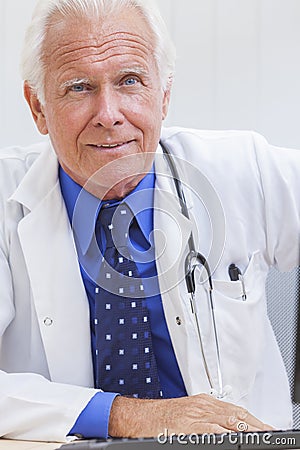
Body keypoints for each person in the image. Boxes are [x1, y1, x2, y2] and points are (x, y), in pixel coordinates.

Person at [0, 0, 299, 443]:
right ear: (38, 107)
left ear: (164, 95)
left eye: (130, 81)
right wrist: (129, 417)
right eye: (79, 87)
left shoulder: (242, 167)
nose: (108, 114)